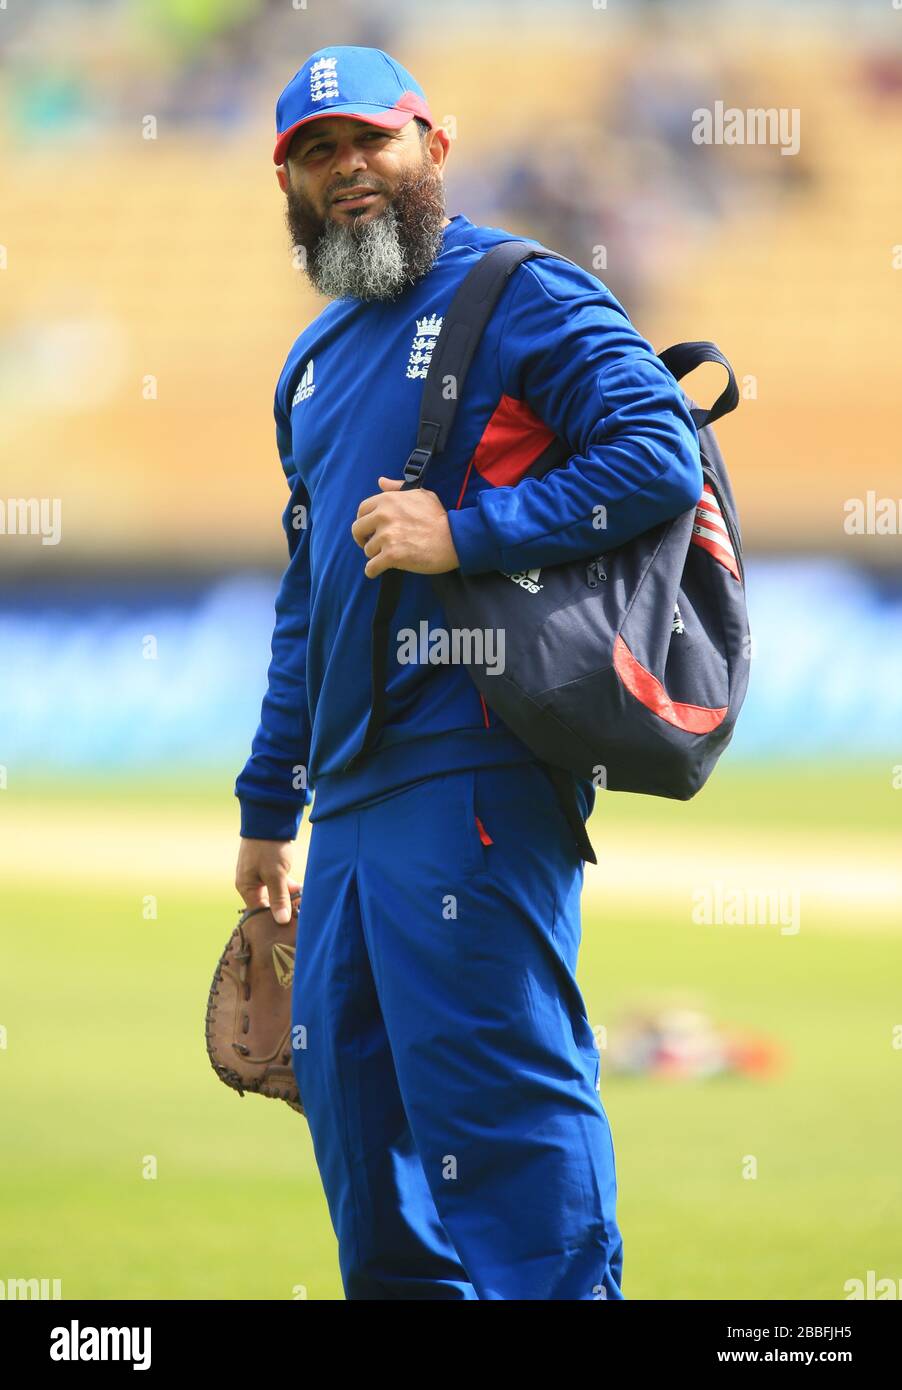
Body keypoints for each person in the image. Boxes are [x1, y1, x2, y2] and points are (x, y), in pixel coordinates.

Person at [234, 44, 703, 1300]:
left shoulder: (517, 289)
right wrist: (268, 805)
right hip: (351, 799)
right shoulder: (315, 364)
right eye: (315, 154)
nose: (346, 170)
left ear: (432, 148)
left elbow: (657, 450)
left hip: (476, 763)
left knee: (496, 1102)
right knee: (361, 1120)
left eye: (370, 142)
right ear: (290, 186)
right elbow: (310, 600)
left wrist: (468, 531)